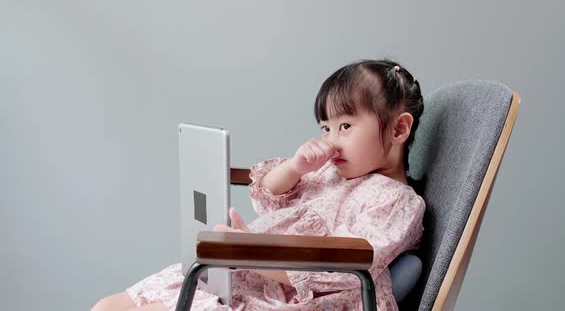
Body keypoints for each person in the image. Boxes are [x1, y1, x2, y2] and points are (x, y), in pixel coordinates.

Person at [92, 59, 426, 311]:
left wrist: (254, 254)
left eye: (345, 126)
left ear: (398, 131)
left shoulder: (395, 201)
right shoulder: (330, 173)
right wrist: (296, 168)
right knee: (108, 306)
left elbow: (343, 270)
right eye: (325, 128)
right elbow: (270, 195)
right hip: (245, 270)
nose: (331, 140)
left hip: (291, 297)